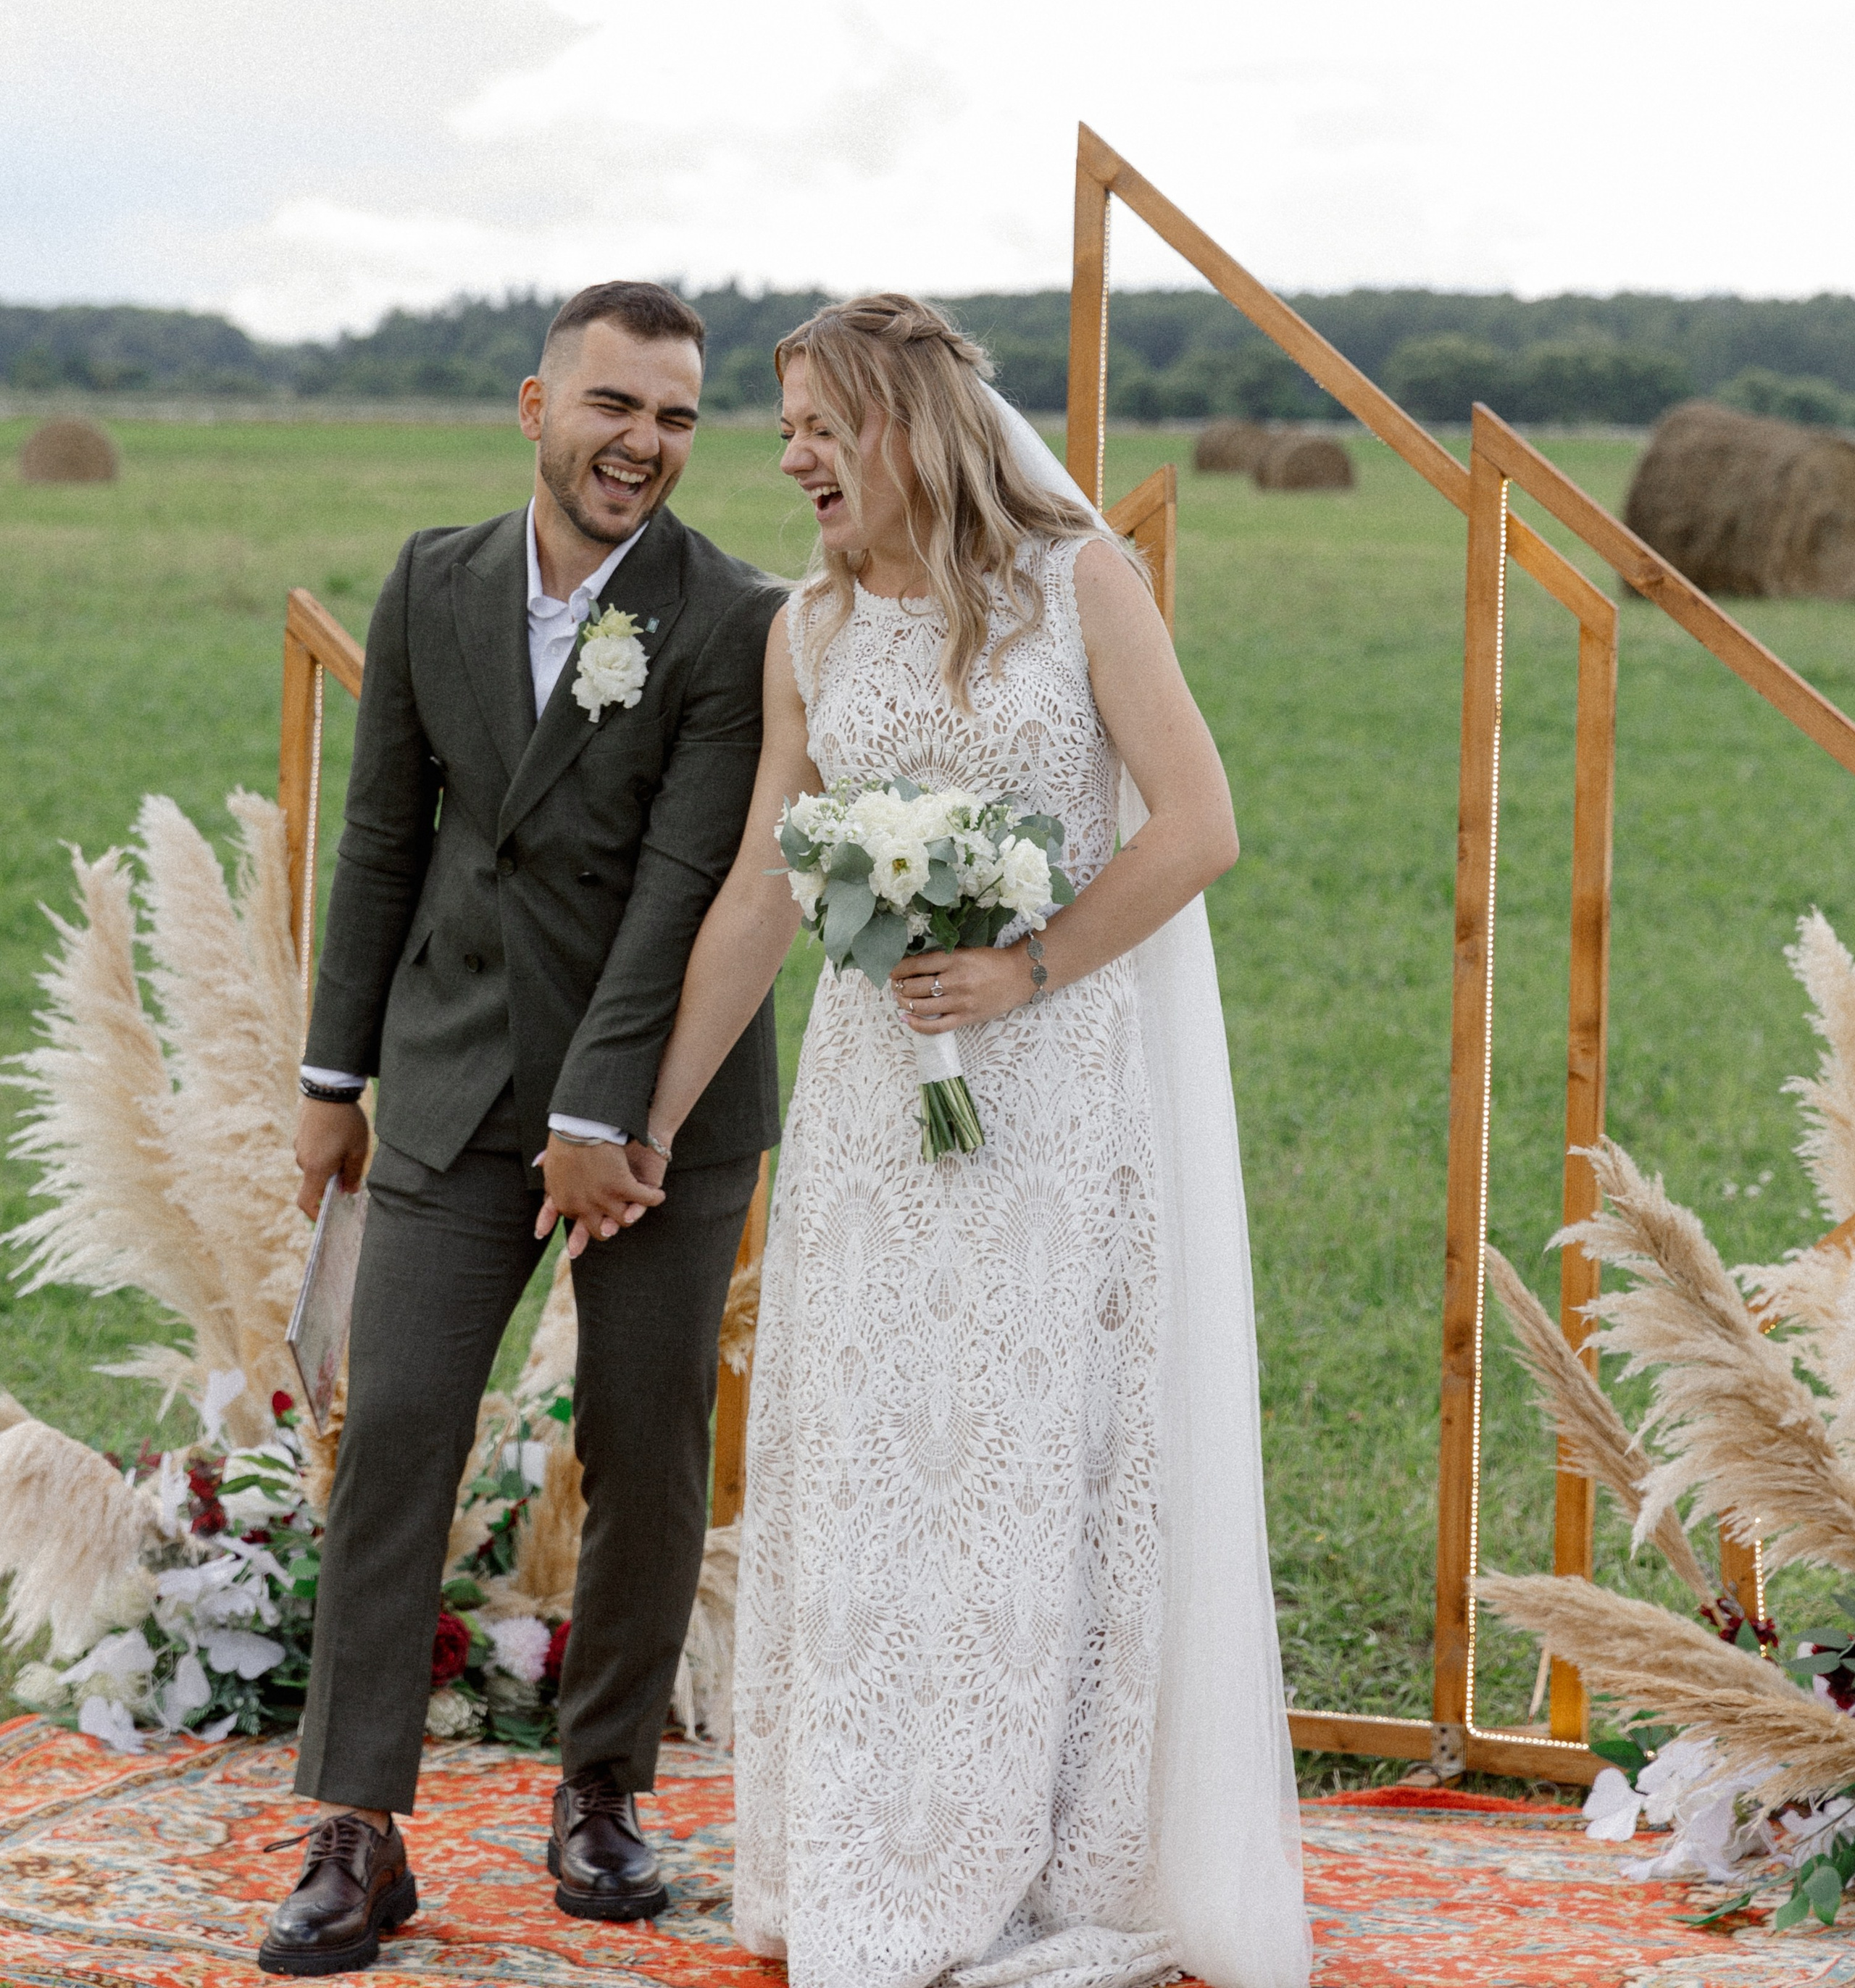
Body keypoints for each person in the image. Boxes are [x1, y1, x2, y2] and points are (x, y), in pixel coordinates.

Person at [621, 296, 1311, 1988]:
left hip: (1052, 1104)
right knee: (869, 1464)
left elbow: (1200, 823)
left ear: (904, 422)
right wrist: (647, 1117)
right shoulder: (811, 630)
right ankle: (866, 1848)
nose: (786, 462)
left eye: (813, 430)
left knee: (1016, 1466)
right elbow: (769, 887)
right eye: (781, 433)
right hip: (871, 1116)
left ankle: (1035, 1855)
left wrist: (1028, 963)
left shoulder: (1078, 585)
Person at [257, 281, 787, 1978]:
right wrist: (334, 1081)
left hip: (661, 1113)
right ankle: (356, 1831)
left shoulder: (730, 616)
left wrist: (600, 1117)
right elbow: (381, 844)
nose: (644, 443)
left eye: (677, 417)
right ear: (534, 408)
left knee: (643, 1446)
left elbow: (682, 887)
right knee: (398, 1422)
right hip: (450, 1078)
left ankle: (605, 1793)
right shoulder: (433, 581)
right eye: (614, 406)